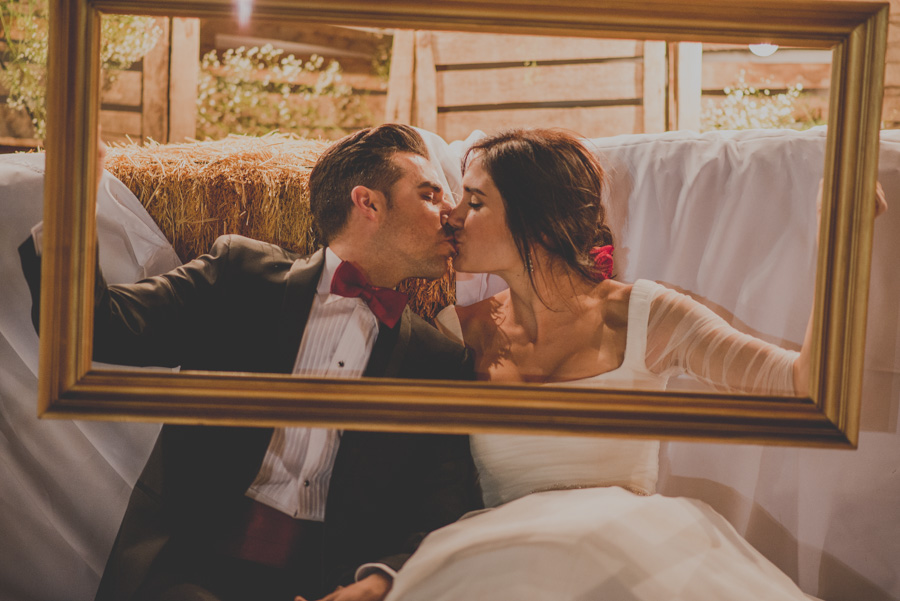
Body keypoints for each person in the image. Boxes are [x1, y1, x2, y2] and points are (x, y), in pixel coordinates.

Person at [382, 128, 887, 601]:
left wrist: (840, 247)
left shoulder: (646, 317)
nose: (452, 216)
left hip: (629, 554)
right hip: (498, 568)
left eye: (475, 202)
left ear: (537, 219)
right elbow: (408, 474)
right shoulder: (456, 332)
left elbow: (804, 385)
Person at [18, 124, 482, 601]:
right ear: (368, 203)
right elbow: (95, 329)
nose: (450, 213)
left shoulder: (438, 360)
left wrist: (380, 578)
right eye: (430, 195)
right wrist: (72, 201)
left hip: (328, 582)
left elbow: (443, 501)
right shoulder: (239, 277)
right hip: (189, 571)